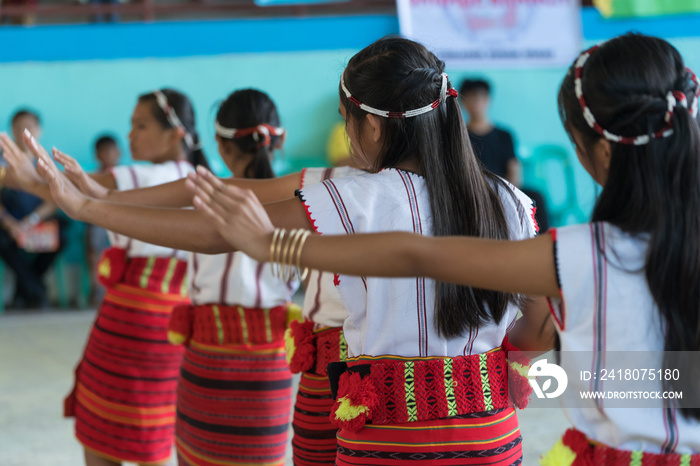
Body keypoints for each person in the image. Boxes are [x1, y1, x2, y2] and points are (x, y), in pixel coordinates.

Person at [31, 37, 553, 465]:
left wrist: (87, 208)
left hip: (388, 438)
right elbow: (532, 328)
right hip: (491, 435)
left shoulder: (356, 194)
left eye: (348, 121)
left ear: (371, 123)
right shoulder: (510, 201)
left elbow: (216, 230)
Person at [189, 34, 700, 464]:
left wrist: (267, 242)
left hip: (392, 430)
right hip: (493, 434)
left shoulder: (583, 254)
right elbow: (546, 340)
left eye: (575, 143)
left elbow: (417, 255)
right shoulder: (522, 212)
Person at [1, 88, 206, 466]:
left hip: (135, 316)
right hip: (173, 317)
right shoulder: (191, 176)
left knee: (104, 436)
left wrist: (27, 178)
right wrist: (29, 179)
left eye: (140, 125)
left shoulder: (148, 174)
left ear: (175, 134)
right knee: (154, 430)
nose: (130, 135)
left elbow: (77, 191)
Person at [460, 78, 549, 231]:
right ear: (463, 102)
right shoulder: (460, 136)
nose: (476, 102)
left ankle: (543, 245)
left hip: (504, 188)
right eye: (470, 97)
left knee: (536, 197)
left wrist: (506, 193)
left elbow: (514, 170)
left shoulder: (504, 135)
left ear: (488, 99)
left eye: (479, 97)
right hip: (473, 190)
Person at [0, 109, 66, 309]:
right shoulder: (3, 162)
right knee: (3, 243)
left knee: (61, 238)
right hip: (9, 225)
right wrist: (11, 223)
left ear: (39, 130)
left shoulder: (46, 161)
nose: (23, 131)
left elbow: (56, 198)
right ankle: (36, 291)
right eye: (18, 126)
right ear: (11, 130)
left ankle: (28, 290)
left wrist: (31, 220)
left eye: (28, 126)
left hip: (39, 222)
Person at [85, 134, 121, 306]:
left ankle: (118, 289)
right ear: (97, 155)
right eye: (103, 152)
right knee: (93, 244)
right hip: (98, 221)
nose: (108, 155)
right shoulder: (89, 178)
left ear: (119, 153)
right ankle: (97, 288)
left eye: (111, 151)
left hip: (122, 223)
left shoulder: (125, 177)